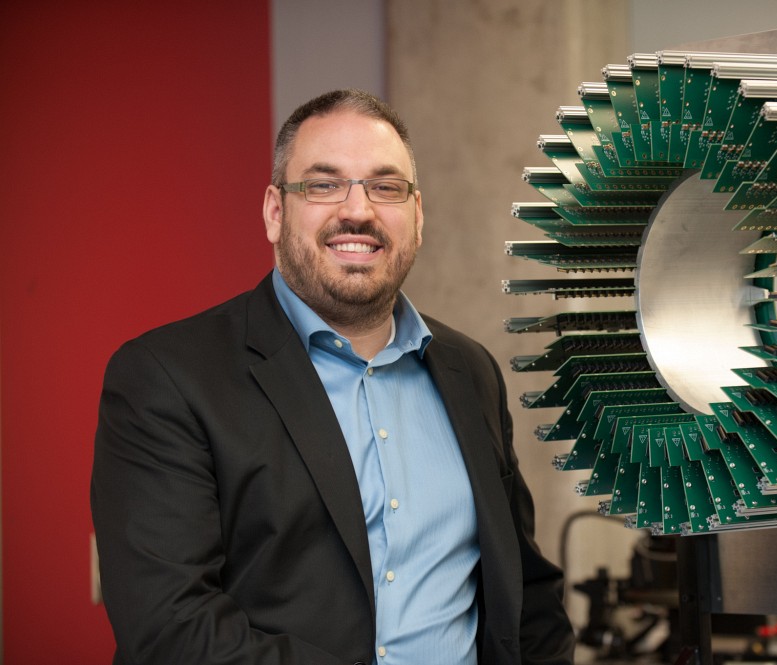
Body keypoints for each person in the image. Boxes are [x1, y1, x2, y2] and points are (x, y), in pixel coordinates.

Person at [91, 89, 575, 665]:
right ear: (275, 212)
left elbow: (525, 593)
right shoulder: (167, 378)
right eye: (323, 185)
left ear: (417, 216)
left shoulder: (470, 371)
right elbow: (172, 631)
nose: (358, 211)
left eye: (386, 187)